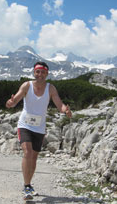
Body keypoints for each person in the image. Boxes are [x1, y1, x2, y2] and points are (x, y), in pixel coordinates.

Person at [5, 61, 72, 201]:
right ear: (34, 73)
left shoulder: (51, 88)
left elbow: (60, 105)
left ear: (47, 74)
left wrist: (66, 110)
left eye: (43, 72)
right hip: (25, 125)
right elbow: (14, 101)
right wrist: (10, 103)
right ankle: (26, 186)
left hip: (39, 128)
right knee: (27, 152)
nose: (40, 74)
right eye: (37, 72)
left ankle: (29, 184)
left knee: (34, 158)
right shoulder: (26, 85)